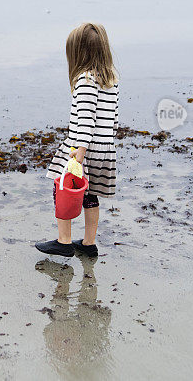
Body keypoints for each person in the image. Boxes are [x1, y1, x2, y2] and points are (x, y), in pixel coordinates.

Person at [36, 22, 120, 258]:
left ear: (77, 53)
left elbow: (85, 118)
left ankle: (63, 241)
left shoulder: (85, 80)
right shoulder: (111, 80)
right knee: (90, 194)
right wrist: (106, 143)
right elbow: (112, 118)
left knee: (61, 188)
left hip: (82, 147)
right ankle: (88, 243)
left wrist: (79, 151)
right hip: (105, 148)